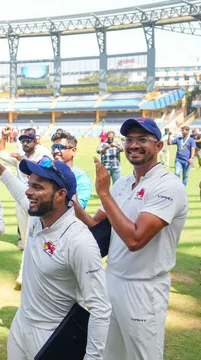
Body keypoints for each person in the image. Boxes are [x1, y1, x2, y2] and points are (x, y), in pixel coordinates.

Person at [0, 150, 111, 360]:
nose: (29, 192)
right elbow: (17, 188)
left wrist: (92, 358)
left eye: (37, 187)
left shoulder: (79, 241)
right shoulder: (37, 213)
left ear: (60, 195)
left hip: (52, 334)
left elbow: (100, 308)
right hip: (21, 325)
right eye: (30, 183)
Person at [74, 118, 188, 360]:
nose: (133, 145)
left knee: (142, 355)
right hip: (111, 279)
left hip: (144, 288)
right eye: (129, 139)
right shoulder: (123, 183)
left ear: (158, 146)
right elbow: (99, 227)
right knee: (109, 353)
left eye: (142, 139)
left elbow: (135, 240)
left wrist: (103, 193)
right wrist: (72, 205)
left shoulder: (168, 186)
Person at [0, 127, 51, 253]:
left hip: (38, 194)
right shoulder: (19, 155)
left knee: (38, 221)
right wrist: (4, 137)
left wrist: (21, 160)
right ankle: (24, 244)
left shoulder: (43, 154)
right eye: (23, 141)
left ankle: (39, 245)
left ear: (36, 142)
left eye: (28, 141)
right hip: (21, 193)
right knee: (22, 222)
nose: (25, 143)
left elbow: (43, 169)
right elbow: (1, 153)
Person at [51, 132, 92, 208]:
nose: (55, 151)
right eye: (54, 147)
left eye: (60, 147)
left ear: (73, 151)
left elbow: (78, 206)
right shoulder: (48, 172)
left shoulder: (80, 177)